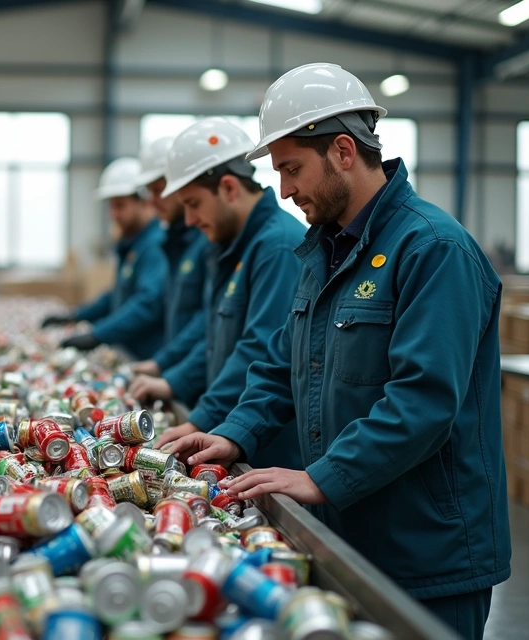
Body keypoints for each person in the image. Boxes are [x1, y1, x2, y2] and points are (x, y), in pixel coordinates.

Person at [171, 64, 510, 639]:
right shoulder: (325, 251)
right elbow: (283, 360)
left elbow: (423, 403)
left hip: (426, 551)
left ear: (344, 151)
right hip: (351, 532)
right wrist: (234, 432)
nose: (283, 190)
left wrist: (323, 478)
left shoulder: (432, 249)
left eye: (291, 169)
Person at [133, 119, 305, 471]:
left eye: (194, 204)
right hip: (234, 430)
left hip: (268, 446)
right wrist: (174, 381)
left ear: (228, 188)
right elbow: (213, 336)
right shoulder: (230, 247)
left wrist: (202, 417)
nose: (191, 220)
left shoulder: (277, 246)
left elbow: (259, 347)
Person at [43, 157, 167, 360]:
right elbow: (117, 295)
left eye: (120, 206)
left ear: (143, 202)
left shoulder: (154, 245)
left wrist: (97, 335)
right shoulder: (133, 245)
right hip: (131, 352)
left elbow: (147, 304)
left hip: (148, 357)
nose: (113, 214)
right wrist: (75, 316)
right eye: (111, 207)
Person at [127, 135, 211, 407]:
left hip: (202, 387)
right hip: (190, 381)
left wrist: (172, 377)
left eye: (158, 189)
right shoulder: (176, 242)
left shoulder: (206, 240)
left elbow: (215, 328)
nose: (152, 201)